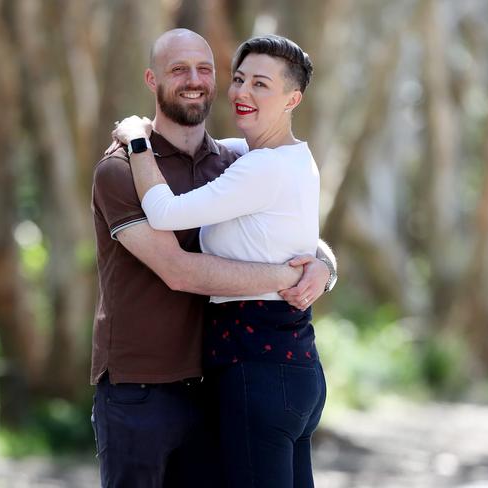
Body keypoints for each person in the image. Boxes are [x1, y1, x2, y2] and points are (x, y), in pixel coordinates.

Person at [91, 29, 336, 488]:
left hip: (214, 382)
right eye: (178, 69)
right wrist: (288, 274)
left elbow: (291, 219)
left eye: (205, 69)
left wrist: (324, 266)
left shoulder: (232, 161)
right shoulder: (121, 169)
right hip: (141, 388)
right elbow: (178, 271)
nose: (195, 79)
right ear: (152, 79)